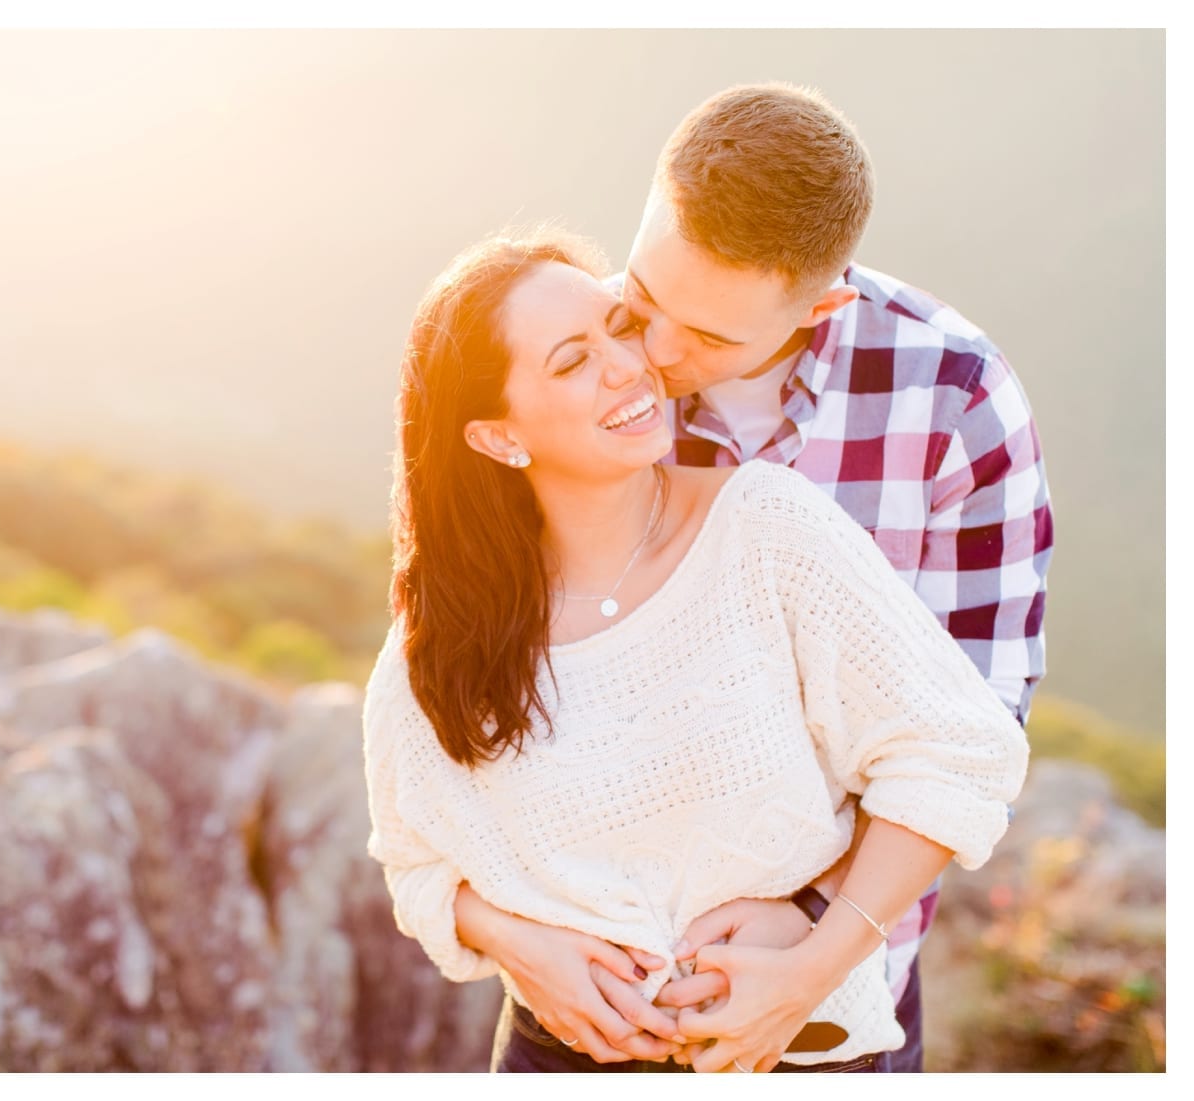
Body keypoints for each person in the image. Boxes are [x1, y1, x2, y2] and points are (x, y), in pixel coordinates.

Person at [362, 229, 1028, 1072]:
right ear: (498, 437)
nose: (628, 366)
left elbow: (959, 750)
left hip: (794, 1051)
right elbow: (416, 861)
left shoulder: (766, 527)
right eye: (572, 362)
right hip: (557, 1058)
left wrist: (814, 963)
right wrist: (521, 945)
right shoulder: (451, 627)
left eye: (619, 327)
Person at [612, 83, 1055, 1072]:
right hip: (601, 976)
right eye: (644, 299)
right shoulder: (569, 361)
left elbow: (976, 720)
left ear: (823, 307)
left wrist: (814, 945)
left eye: (713, 337)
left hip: (836, 995)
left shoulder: (953, 401)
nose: (654, 355)